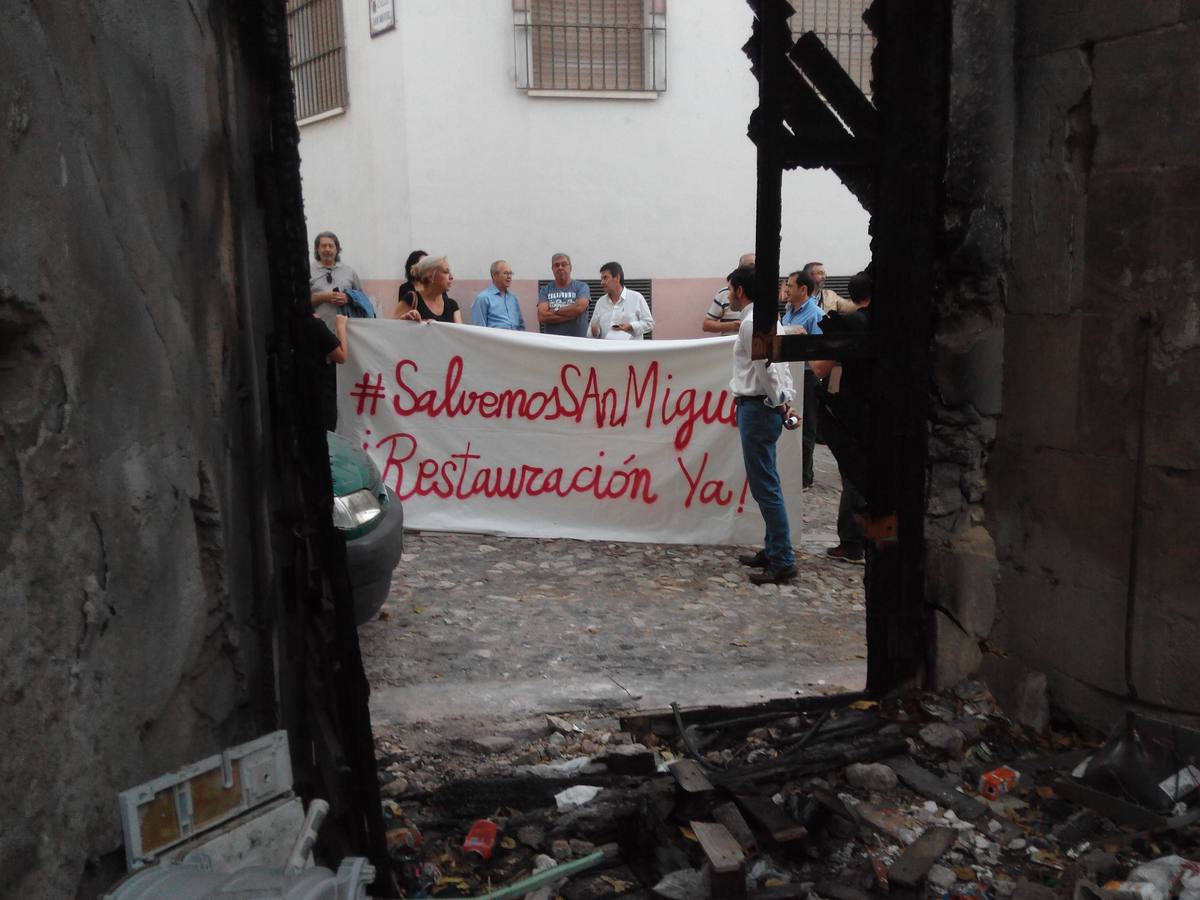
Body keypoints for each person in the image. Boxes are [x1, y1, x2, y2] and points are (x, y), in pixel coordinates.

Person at [726, 266, 800, 585]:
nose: (729, 295)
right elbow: (780, 368)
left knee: (765, 487)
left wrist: (780, 403)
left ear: (741, 290)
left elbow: (766, 370)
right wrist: (785, 400)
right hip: (763, 407)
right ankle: (773, 550)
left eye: (730, 289)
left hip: (758, 408)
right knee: (767, 482)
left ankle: (782, 558)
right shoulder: (769, 320)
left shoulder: (751, 323)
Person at [811, 271, 873, 563]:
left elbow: (820, 368)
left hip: (853, 408)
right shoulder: (891, 322)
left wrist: (807, 345)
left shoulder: (851, 324)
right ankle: (877, 540)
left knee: (854, 475)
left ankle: (852, 542)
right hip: (880, 406)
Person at [779, 269, 824, 489]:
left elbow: (819, 349)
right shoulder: (789, 312)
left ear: (803, 289)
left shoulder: (815, 315)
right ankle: (791, 471)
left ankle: (805, 476)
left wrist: (803, 340)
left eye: (790, 286)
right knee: (791, 423)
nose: (786, 290)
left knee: (806, 427)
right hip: (790, 375)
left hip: (807, 377)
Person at [297, 312, 348, 432]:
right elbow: (342, 356)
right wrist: (341, 326)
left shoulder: (292, 322)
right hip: (320, 391)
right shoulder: (315, 325)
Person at [310, 231, 364, 328]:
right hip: (317, 330)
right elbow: (300, 303)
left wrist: (348, 298)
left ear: (337, 249)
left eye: (331, 246)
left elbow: (362, 298)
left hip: (346, 330)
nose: (327, 249)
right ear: (317, 249)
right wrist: (323, 297)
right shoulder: (308, 272)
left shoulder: (349, 272)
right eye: (323, 246)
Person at [589, 261, 654, 340]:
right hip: (607, 347)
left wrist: (631, 326)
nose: (601, 282)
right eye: (601, 279)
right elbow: (590, 332)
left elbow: (649, 324)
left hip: (630, 347)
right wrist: (594, 331)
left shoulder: (636, 298)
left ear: (617, 278)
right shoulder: (600, 302)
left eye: (605, 278)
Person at [395, 255, 463, 323]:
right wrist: (405, 320)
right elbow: (393, 326)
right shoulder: (411, 299)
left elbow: (459, 329)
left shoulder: (452, 305)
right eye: (446, 272)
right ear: (430, 276)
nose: (451, 277)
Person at [537, 253, 591, 337]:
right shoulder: (545, 290)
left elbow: (579, 307)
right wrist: (573, 315)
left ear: (570, 267)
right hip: (552, 342)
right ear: (552, 269)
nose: (560, 267)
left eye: (564, 264)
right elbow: (542, 316)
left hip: (577, 342)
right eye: (556, 265)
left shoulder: (581, 287)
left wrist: (555, 311)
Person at [702, 252, 755, 334]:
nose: (753, 270)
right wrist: (731, 326)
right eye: (750, 267)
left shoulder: (767, 294)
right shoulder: (725, 293)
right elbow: (706, 325)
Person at [471, 260, 525, 330]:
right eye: (505, 273)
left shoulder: (513, 298)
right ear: (495, 275)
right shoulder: (483, 298)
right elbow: (479, 329)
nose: (509, 276)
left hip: (515, 336)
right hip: (494, 337)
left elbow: (521, 325)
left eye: (510, 273)